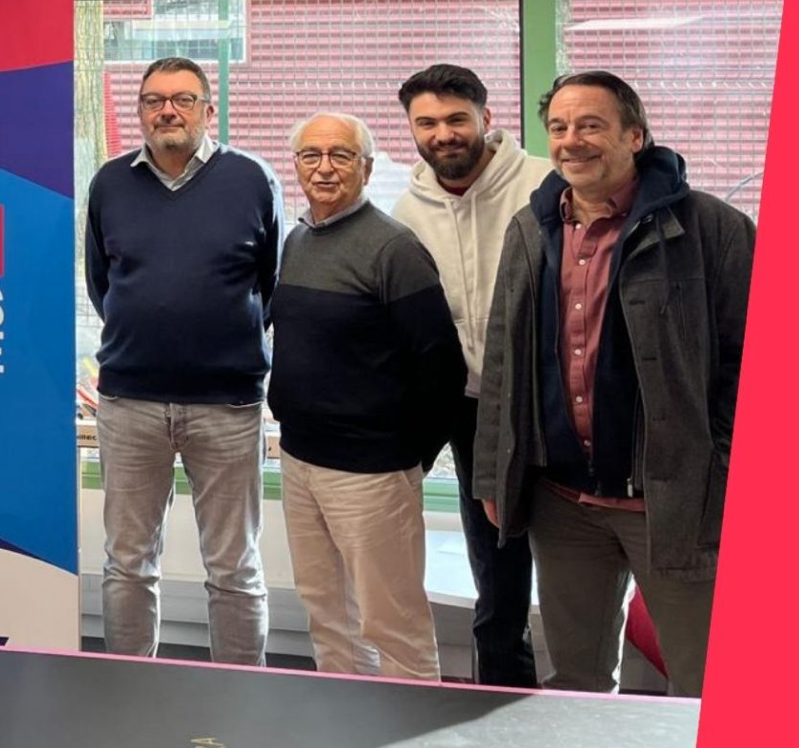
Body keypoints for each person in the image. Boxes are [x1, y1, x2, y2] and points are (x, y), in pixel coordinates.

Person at [475, 71, 754, 697]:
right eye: (558, 127)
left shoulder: (712, 229)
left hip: (675, 503)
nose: (571, 140)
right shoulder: (531, 228)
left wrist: (722, 468)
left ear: (635, 135)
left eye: (591, 125)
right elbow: (504, 360)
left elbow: (752, 364)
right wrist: (494, 472)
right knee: (576, 681)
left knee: (706, 685)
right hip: (563, 503)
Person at [83, 56, 281, 662]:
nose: (167, 111)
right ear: (141, 111)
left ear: (208, 110)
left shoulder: (252, 179)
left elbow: (270, 284)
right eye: (154, 100)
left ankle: (240, 695)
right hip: (130, 404)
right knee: (127, 563)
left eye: (183, 100)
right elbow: (102, 283)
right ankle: (129, 690)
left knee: (234, 566)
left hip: (228, 406)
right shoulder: (110, 183)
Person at [272, 112, 464, 681]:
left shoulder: (393, 249)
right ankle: (345, 719)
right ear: (297, 165)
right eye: (311, 155)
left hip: (372, 473)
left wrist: (405, 456)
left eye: (341, 155)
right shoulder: (297, 240)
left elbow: (443, 368)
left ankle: (414, 724)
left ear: (368, 167)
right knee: (326, 613)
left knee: (392, 623)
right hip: (300, 462)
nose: (324, 168)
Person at [390, 63, 555, 687]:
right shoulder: (407, 210)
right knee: (496, 564)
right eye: (427, 123)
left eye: (457, 119)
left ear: (487, 118)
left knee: (571, 555)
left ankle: (583, 694)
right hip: (469, 407)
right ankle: (501, 695)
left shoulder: (544, 184)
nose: (443, 134)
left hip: (548, 398)